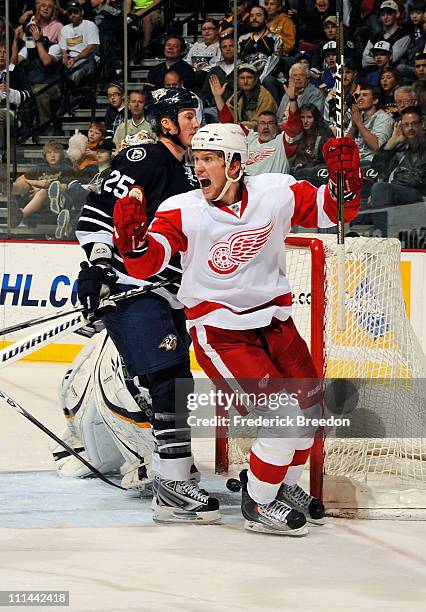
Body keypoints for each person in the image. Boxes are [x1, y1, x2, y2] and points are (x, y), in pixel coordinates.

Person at [111, 123, 362, 534]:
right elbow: (148, 264)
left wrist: (345, 182)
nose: (199, 168)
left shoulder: (275, 192)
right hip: (222, 333)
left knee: (312, 412)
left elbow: (332, 211)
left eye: (209, 159)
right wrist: (133, 242)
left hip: (276, 324)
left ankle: (278, 485)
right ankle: (259, 504)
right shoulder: (181, 208)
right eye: (196, 159)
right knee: (285, 419)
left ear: (235, 164)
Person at [75, 88, 220, 524]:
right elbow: (99, 212)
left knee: (170, 381)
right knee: (169, 379)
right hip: (130, 288)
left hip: (169, 292)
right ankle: (171, 486)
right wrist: (98, 266)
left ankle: (168, 467)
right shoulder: (145, 158)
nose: (198, 123)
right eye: (189, 116)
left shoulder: (193, 171)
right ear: (168, 123)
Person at [370, 106, 426, 208]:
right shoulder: (400, 145)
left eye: (414, 124)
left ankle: (382, 222)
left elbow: (418, 178)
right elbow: (377, 167)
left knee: (380, 188)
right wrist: (392, 142)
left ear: (422, 124)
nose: (410, 128)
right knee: (355, 205)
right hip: (394, 191)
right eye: (406, 125)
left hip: (418, 194)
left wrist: (389, 186)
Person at [210, 63, 277, 131]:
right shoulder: (237, 96)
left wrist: (238, 125)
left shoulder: (265, 97)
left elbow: (261, 123)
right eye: (242, 78)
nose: (245, 81)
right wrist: (218, 97)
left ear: (256, 79)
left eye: (249, 78)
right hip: (240, 131)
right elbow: (227, 117)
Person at [347, 84, 394, 163]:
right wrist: (353, 127)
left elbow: (377, 146)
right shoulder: (357, 116)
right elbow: (345, 146)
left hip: (371, 165)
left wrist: (359, 123)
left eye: (365, 95)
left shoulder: (385, 118)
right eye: (359, 95)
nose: (359, 99)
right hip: (353, 162)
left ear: (375, 100)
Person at [59, 1, 99, 88]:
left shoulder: (90, 25)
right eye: (70, 13)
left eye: (75, 12)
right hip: (71, 60)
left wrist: (75, 59)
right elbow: (63, 49)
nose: (72, 15)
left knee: (78, 68)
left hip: (87, 59)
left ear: (82, 12)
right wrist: (65, 58)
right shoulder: (64, 29)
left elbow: (90, 48)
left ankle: (70, 86)